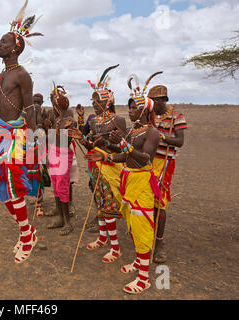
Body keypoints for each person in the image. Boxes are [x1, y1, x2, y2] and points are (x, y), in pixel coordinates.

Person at [88, 72, 163, 294]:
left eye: (133, 107)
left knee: (141, 228)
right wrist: (106, 156)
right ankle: (140, 264)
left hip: (142, 182)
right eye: (129, 107)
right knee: (132, 226)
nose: (129, 110)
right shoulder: (132, 131)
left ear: (145, 110)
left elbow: (144, 159)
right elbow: (125, 156)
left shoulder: (153, 132)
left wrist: (123, 144)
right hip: (128, 180)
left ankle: (143, 278)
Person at [0, 1, 43, 263]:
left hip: (17, 136)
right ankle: (28, 231)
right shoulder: (2, 75)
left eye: (3, 42)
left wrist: (36, 139)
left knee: (13, 187)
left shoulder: (22, 74)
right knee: (3, 190)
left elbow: (31, 109)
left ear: (15, 48)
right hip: (1, 135)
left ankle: (26, 236)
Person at [68, 64, 126, 263]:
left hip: (112, 167)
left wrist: (107, 144)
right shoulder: (93, 122)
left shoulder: (118, 120)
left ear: (108, 100)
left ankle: (116, 248)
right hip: (96, 168)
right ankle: (102, 238)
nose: (94, 103)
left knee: (109, 206)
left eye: (98, 100)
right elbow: (91, 143)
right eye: (92, 100)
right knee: (100, 203)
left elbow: (124, 149)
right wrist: (80, 138)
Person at [148, 85, 187, 264]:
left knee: (160, 203)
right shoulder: (150, 116)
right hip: (148, 162)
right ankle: (147, 237)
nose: (151, 105)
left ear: (162, 101)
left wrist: (161, 137)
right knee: (146, 201)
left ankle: (159, 244)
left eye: (153, 101)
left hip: (165, 164)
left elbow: (179, 141)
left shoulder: (176, 117)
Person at [46, 85, 77, 236]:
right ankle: (60, 218)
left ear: (62, 105)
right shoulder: (58, 120)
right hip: (54, 152)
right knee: (56, 187)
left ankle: (68, 223)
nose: (53, 106)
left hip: (64, 154)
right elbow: (52, 138)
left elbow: (67, 140)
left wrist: (65, 130)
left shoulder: (69, 120)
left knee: (63, 187)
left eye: (55, 104)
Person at [26, 93, 45, 217]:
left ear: (42, 102)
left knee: (39, 176)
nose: (37, 104)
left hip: (40, 147)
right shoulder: (27, 114)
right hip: (27, 147)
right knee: (25, 176)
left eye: (39, 102)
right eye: (35, 101)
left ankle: (39, 205)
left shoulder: (45, 114)